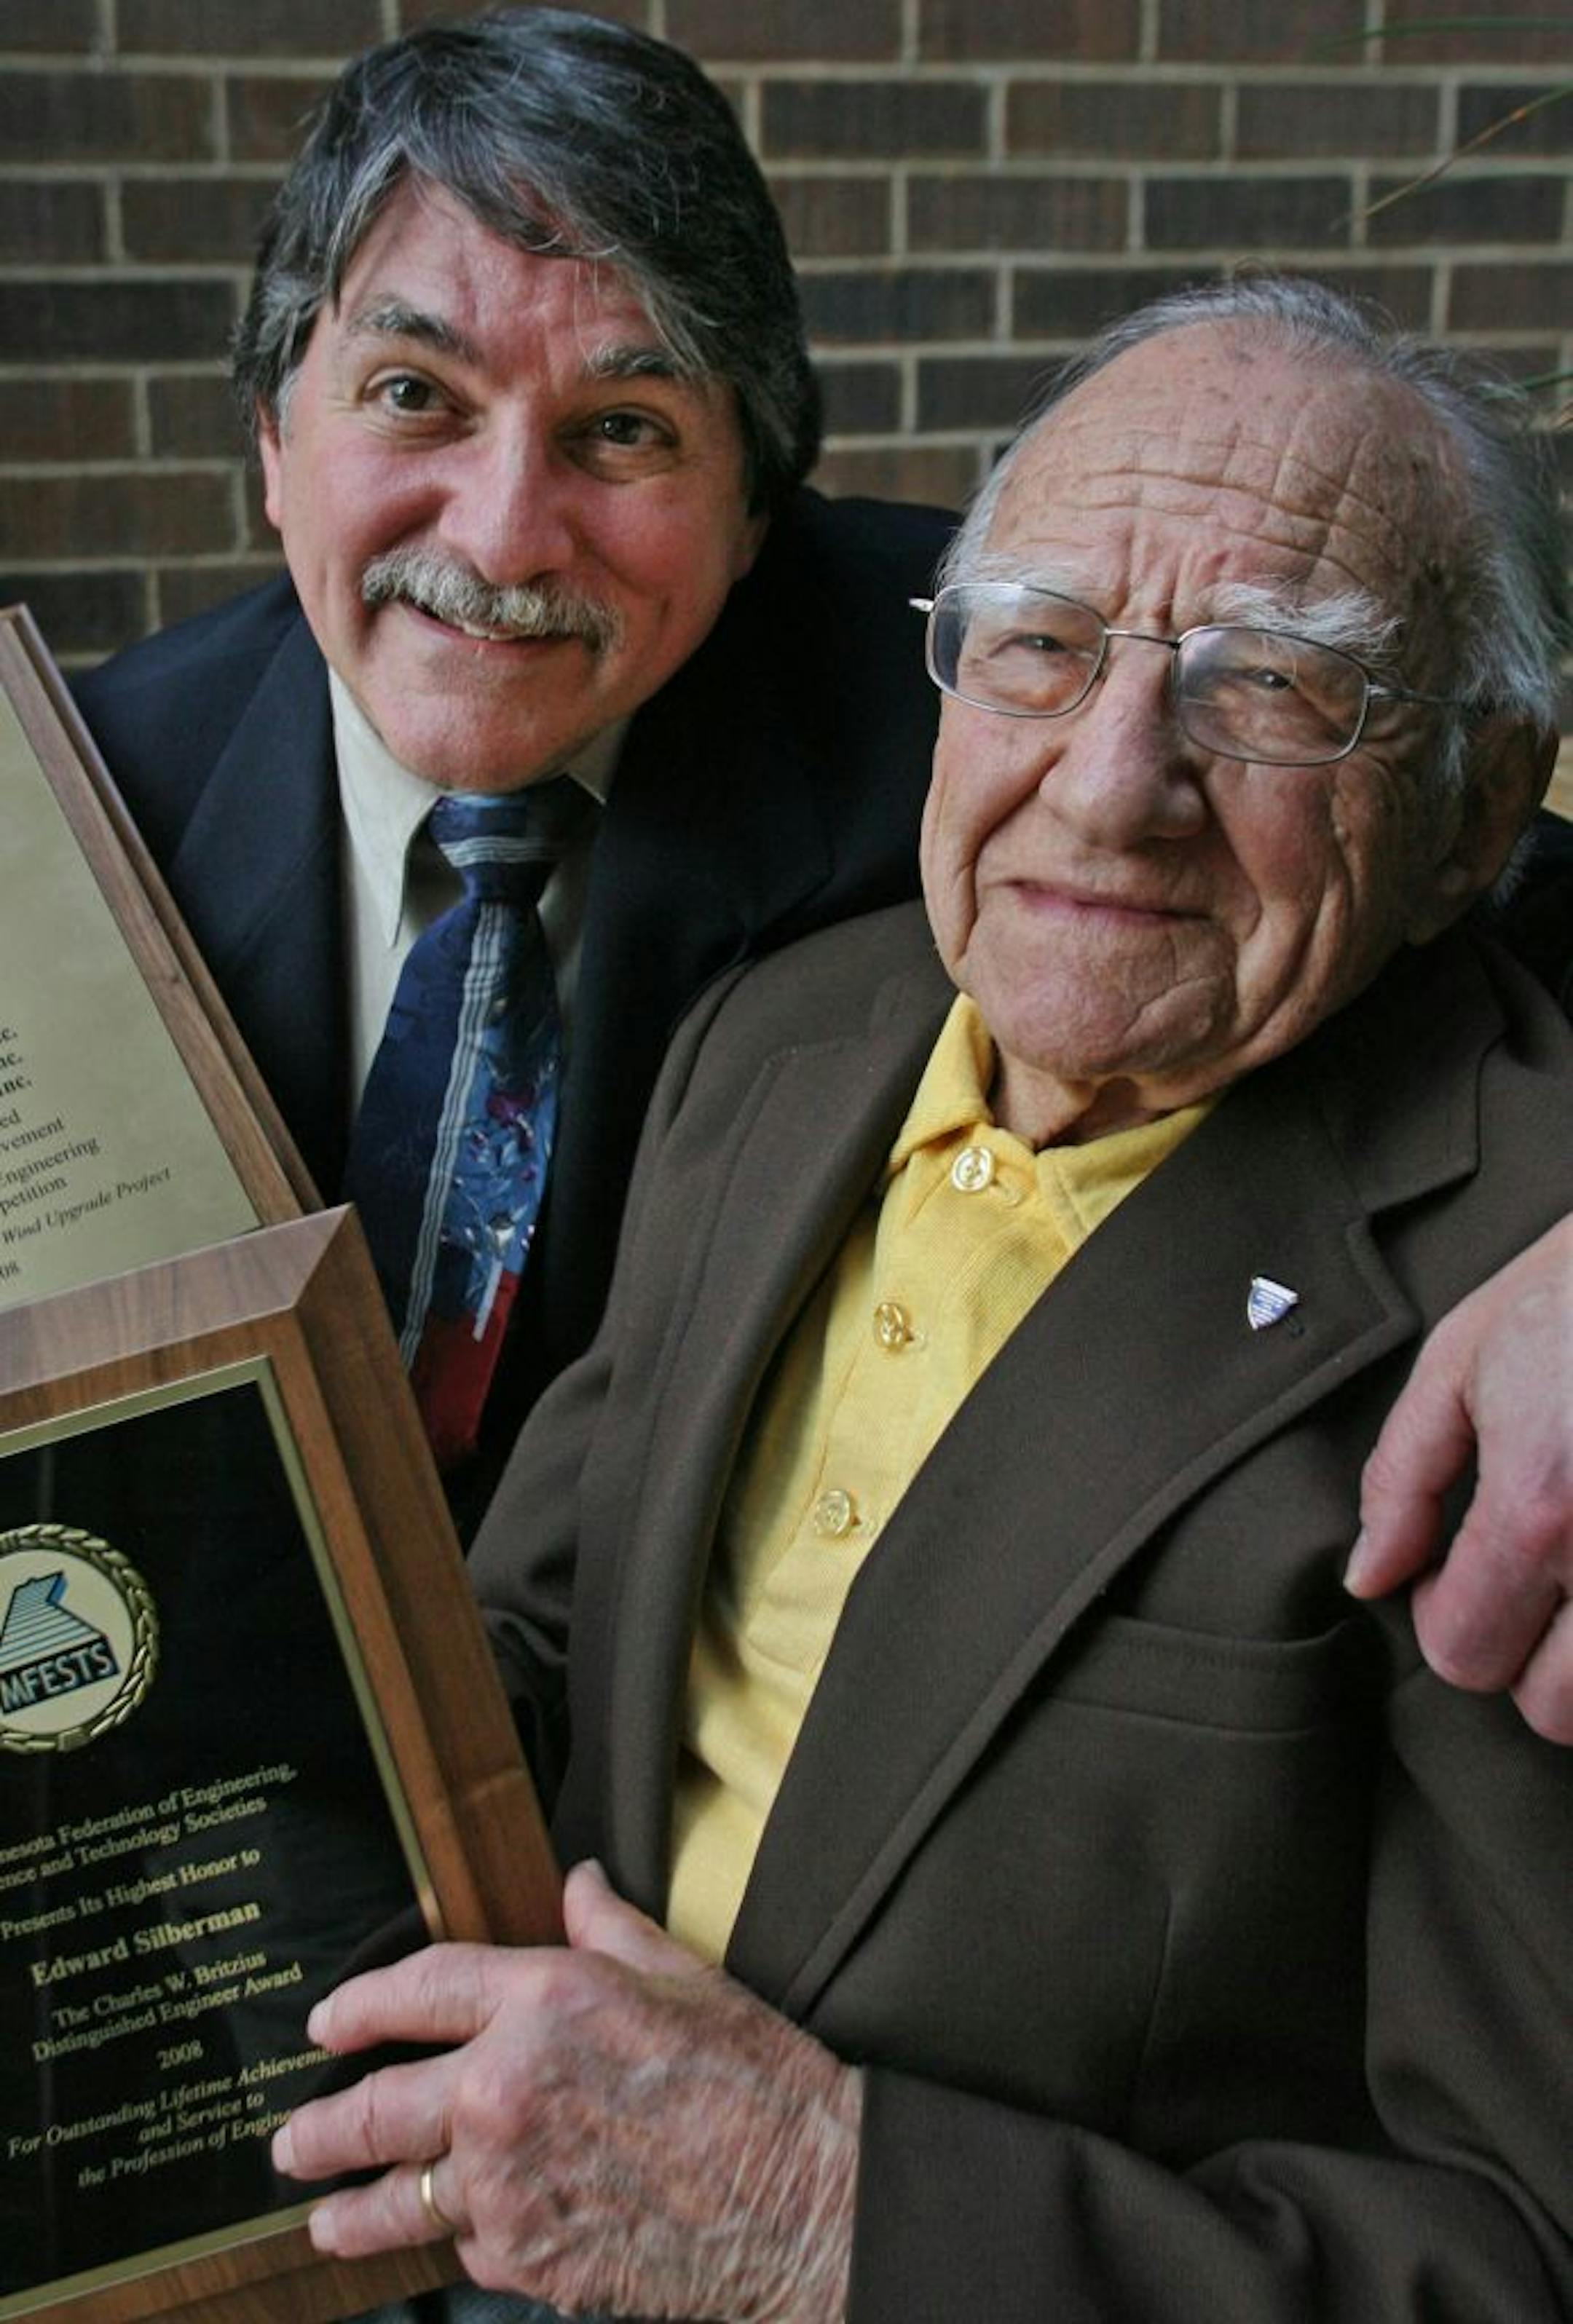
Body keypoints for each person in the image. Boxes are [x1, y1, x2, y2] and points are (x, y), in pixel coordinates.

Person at [271, 279, 1572, 2323]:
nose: (1110, 780)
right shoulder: (782, 1040)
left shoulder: (1527, 1323)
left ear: (1484, 805)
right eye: (1040, 649)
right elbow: (535, 1652)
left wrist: (817, 2217)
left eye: (1267, 690)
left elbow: (1520, 2256)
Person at [69, 12, 1572, 1695]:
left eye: (624, 429)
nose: (501, 533)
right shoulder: (81, 810)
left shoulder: (1009, 691)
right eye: (414, 396)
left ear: (757, 500)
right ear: (275, 438)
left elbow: (1479, 856)